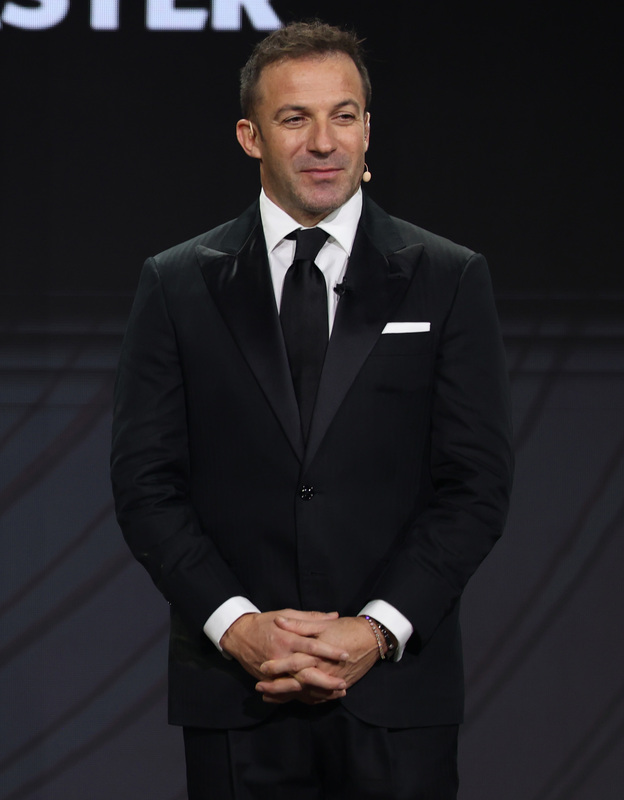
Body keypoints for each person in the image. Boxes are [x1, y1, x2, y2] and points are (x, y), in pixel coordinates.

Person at [110, 20, 513, 799]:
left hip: (396, 694)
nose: (324, 141)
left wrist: (375, 630)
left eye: (345, 115)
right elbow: (146, 484)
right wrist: (238, 627)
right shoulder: (176, 283)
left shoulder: (450, 277)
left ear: (369, 129)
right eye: (295, 118)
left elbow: (476, 485)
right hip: (238, 693)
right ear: (250, 135)